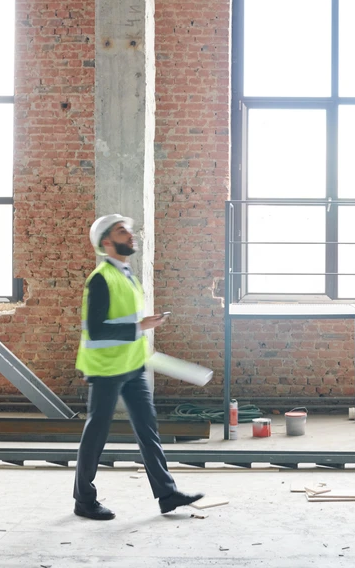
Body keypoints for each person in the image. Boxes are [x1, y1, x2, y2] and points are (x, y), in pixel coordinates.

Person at [73, 213, 203, 520]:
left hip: (132, 365)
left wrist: (144, 330)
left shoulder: (128, 275)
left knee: (148, 430)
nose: (131, 235)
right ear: (107, 242)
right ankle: (84, 500)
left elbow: (127, 321)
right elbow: (96, 330)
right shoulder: (101, 279)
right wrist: (141, 326)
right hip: (106, 368)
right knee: (97, 433)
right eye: (122, 231)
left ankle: (167, 495)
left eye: (129, 231)